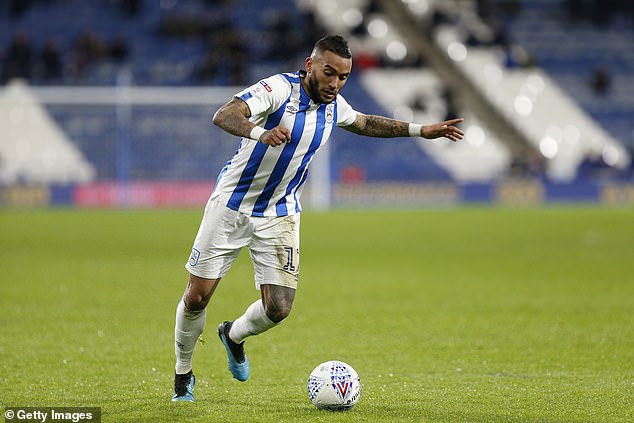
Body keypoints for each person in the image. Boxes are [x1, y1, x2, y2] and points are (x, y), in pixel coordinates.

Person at [172, 35, 464, 402]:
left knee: (278, 309)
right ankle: (183, 374)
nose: (335, 84)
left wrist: (423, 130)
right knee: (197, 298)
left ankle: (232, 335)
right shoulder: (277, 89)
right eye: (329, 73)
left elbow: (364, 122)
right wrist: (260, 132)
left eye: (343, 77)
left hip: (280, 213)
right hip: (230, 207)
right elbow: (225, 114)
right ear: (311, 65)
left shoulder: (334, 106)